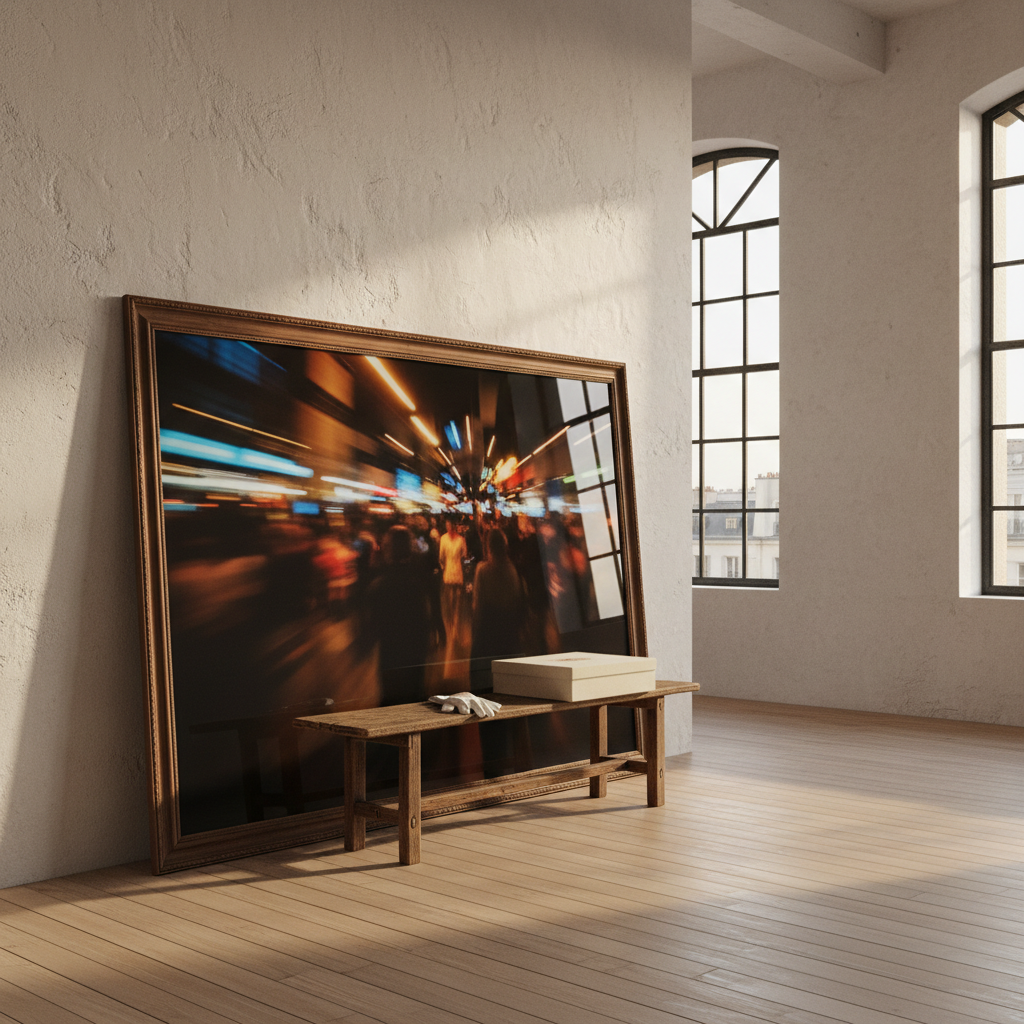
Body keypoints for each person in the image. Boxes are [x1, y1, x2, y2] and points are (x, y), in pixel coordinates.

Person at [437, 517, 467, 637]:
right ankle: (451, 620)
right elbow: (441, 556)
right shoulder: (445, 539)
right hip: (451, 569)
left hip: (454, 569)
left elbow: (464, 554)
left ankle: (454, 620)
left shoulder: (459, 540)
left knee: (456, 597)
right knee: (450, 597)